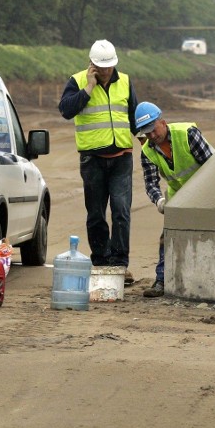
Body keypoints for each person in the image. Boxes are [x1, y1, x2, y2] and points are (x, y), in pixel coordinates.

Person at [59, 39, 138, 284]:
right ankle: (101, 261)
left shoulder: (124, 81)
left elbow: (135, 116)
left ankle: (120, 263)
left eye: (109, 67)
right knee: (95, 214)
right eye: (101, 67)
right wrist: (88, 89)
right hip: (92, 160)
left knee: (121, 212)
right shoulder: (77, 81)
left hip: (122, 158)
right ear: (91, 64)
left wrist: (147, 142)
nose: (106, 71)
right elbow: (66, 110)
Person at [135, 101, 213, 297]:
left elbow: (212, 167)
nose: (152, 136)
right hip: (179, 195)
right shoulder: (147, 152)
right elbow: (151, 183)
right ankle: (161, 280)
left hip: (208, 191)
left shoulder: (187, 134)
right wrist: (159, 201)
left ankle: (209, 279)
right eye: (147, 133)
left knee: (208, 235)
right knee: (167, 237)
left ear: (163, 121)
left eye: (154, 129)